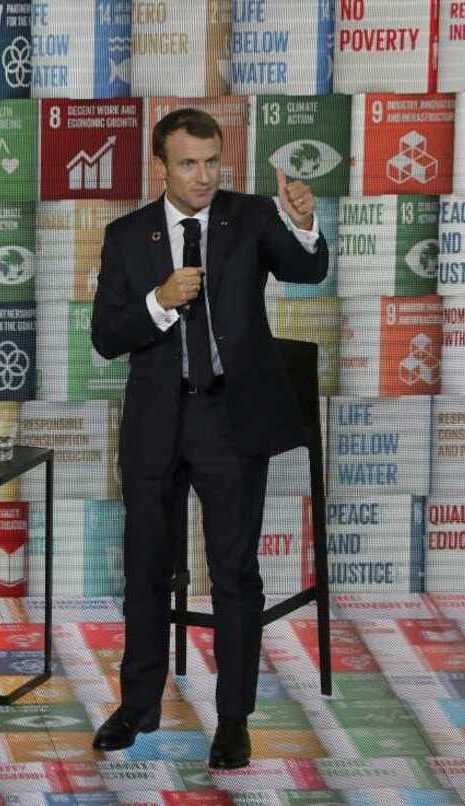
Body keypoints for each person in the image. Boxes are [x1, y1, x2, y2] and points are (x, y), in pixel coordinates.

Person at [90, 108, 328, 769]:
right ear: (160, 168)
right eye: (188, 163)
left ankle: (233, 721)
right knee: (145, 572)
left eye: (211, 161)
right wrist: (160, 300)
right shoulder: (128, 235)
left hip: (231, 423)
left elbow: (307, 272)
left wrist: (304, 225)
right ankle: (137, 705)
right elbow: (107, 336)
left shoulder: (249, 216)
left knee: (234, 574)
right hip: (156, 426)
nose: (203, 175)